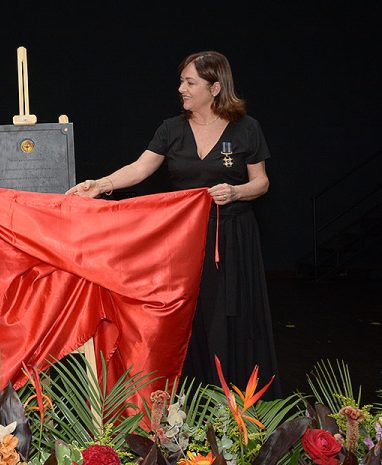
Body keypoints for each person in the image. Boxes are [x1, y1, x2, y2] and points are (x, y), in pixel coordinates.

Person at [66, 51, 280, 395]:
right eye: (182, 80)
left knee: (228, 317)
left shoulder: (246, 128)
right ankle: (188, 397)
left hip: (232, 237)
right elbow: (140, 168)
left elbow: (261, 183)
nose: (181, 88)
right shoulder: (172, 129)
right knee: (187, 317)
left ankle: (235, 398)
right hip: (183, 241)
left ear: (215, 87)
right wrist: (101, 185)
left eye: (190, 82)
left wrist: (236, 191)